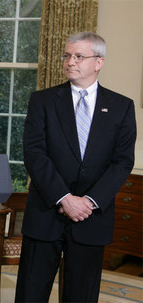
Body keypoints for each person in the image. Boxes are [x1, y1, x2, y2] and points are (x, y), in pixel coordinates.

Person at [15, 32, 136, 302]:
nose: (70, 62)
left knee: (81, 296)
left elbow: (123, 162)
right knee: (30, 294)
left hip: (91, 219)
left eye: (79, 56)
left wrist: (89, 201)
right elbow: (34, 153)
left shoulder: (121, 107)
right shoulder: (43, 101)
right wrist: (65, 198)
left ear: (99, 62)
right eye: (67, 56)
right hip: (46, 213)